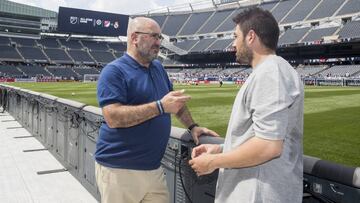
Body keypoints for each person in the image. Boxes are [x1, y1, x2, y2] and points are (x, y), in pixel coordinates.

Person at [95, 17, 219, 203]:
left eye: (160, 37)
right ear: (135, 38)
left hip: (153, 168)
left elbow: (174, 101)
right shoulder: (114, 71)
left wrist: (193, 126)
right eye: (154, 36)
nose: (159, 42)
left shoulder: (158, 68)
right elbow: (113, 117)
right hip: (119, 170)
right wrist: (160, 107)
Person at [189, 8, 304, 203]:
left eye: (235, 36)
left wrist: (213, 162)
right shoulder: (271, 71)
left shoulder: (270, 72)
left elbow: (269, 146)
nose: (233, 43)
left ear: (251, 37)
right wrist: (221, 149)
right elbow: (258, 137)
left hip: (258, 195)